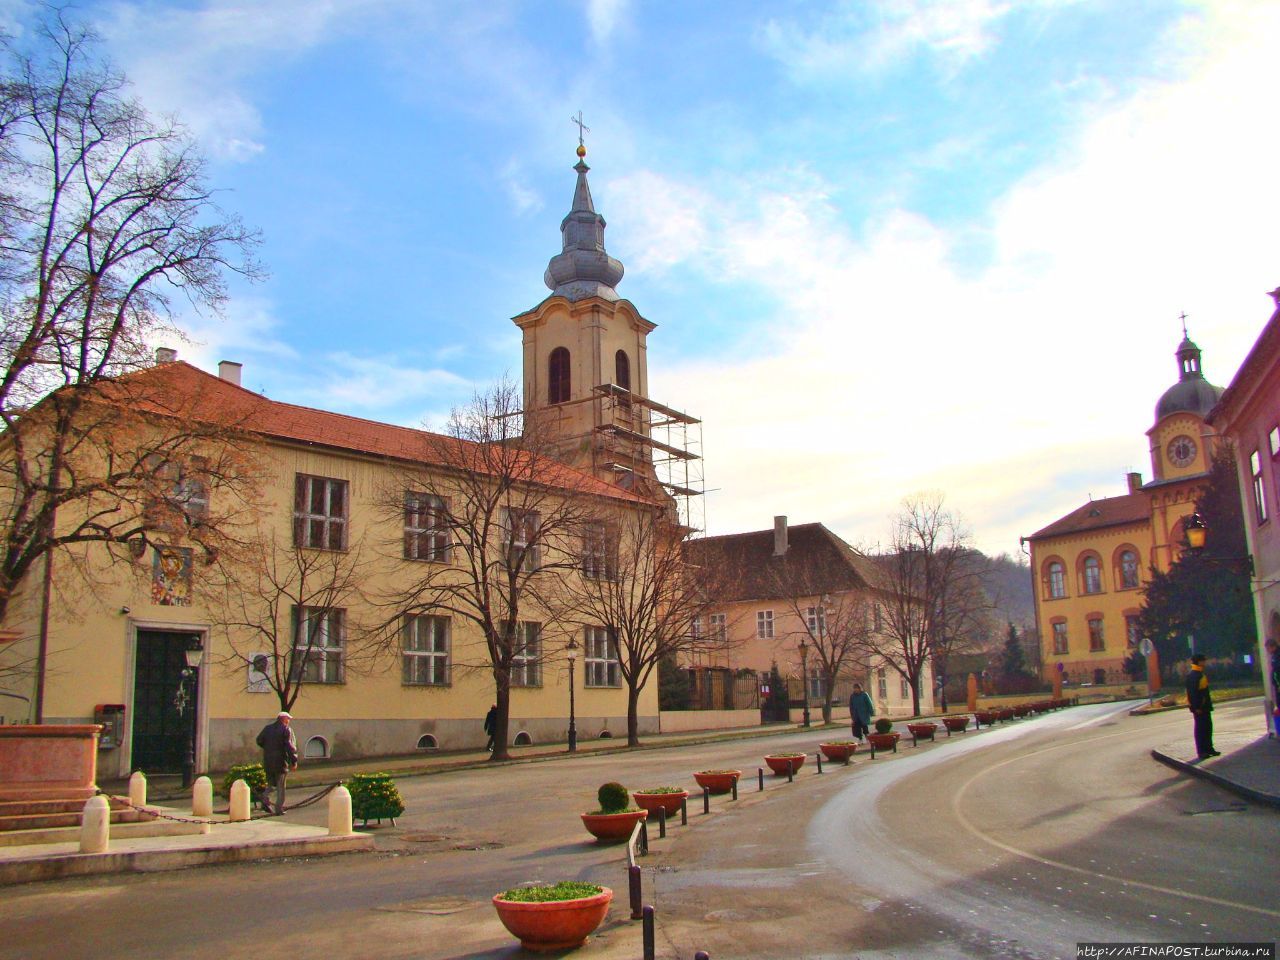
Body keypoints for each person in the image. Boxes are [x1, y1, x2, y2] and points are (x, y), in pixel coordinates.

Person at [255, 710, 298, 815]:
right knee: (281, 787)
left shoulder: (267, 729)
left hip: (268, 762)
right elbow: (289, 746)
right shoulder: (285, 730)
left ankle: (264, 798)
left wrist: (268, 748)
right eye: (288, 719)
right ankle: (279, 809)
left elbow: (259, 740)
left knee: (271, 785)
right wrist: (294, 760)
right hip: (280, 762)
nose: (289, 721)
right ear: (283, 719)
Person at [1184, 653, 1219, 759]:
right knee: (1201, 729)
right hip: (1200, 708)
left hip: (1204, 707)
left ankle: (1209, 748)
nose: (1205, 662)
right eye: (1203, 660)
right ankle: (1202, 751)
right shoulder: (1194, 675)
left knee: (1208, 728)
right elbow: (1192, 693)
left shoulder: (1200, 674)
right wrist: (1196, 707)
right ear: (1199, 662)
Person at [1267, 638, 1280, 737]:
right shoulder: (1275, 656)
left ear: (1273, 646)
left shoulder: (1277, 656)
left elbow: (1277, 672)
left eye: (1268, 648)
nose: (1267, 651)